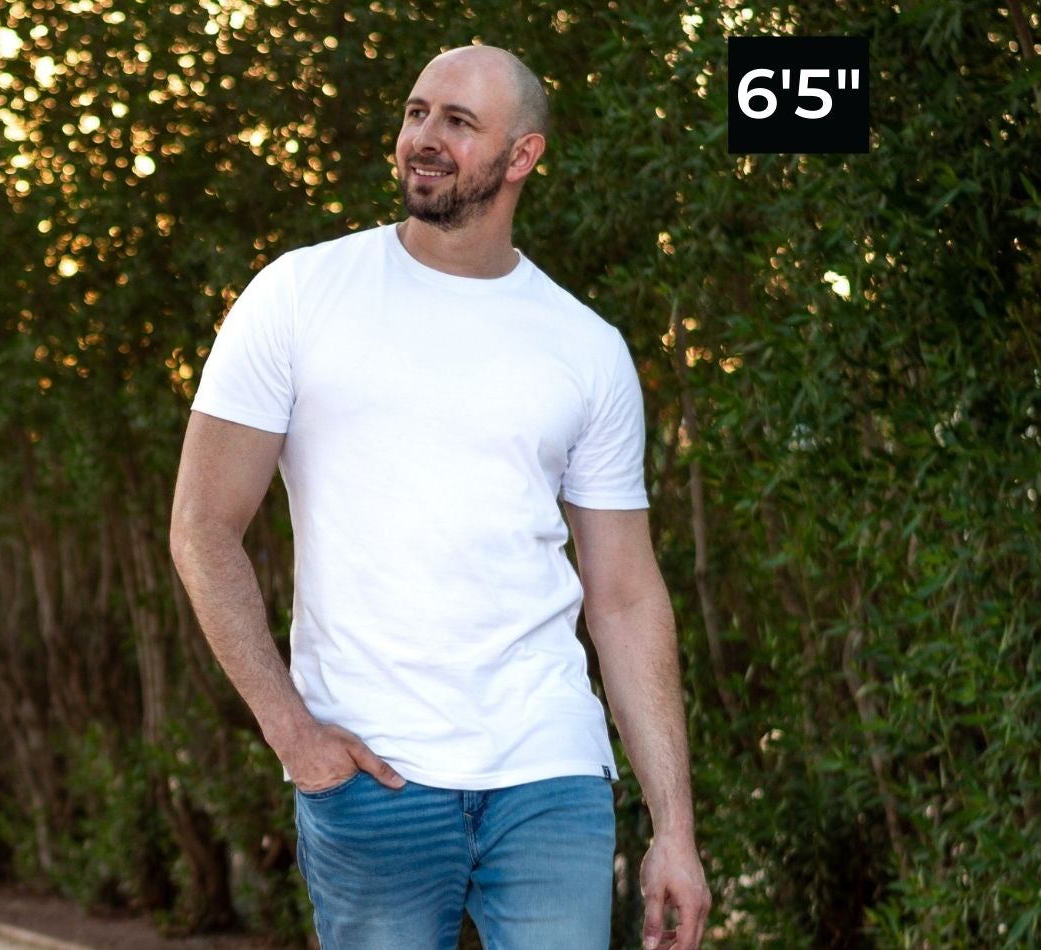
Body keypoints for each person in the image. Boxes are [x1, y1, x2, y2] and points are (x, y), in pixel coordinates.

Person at [166, 44, 707, 950]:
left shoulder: (586, 347)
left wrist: (675, 833)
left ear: (522, 156)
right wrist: (291, 732)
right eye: (417, 113)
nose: (424, 137)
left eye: (458, 123)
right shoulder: (299, 296)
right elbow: (201, 527)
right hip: (371, 774)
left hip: (550, 770)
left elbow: (623, 596)